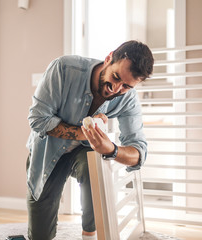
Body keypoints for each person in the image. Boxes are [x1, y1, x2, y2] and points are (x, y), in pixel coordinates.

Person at [26, 40, 154, 240]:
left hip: (84, 154)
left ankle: (90, 234)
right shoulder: (64, 69)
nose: (115, 89)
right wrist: (86, 132)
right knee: (39, 236)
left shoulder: (128, 99)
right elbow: (38, 120)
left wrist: (110, 149)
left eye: (126, 86)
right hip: (47, 151)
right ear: (109, 58)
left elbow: (138, 154)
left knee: (94, 164)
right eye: (116, 76)